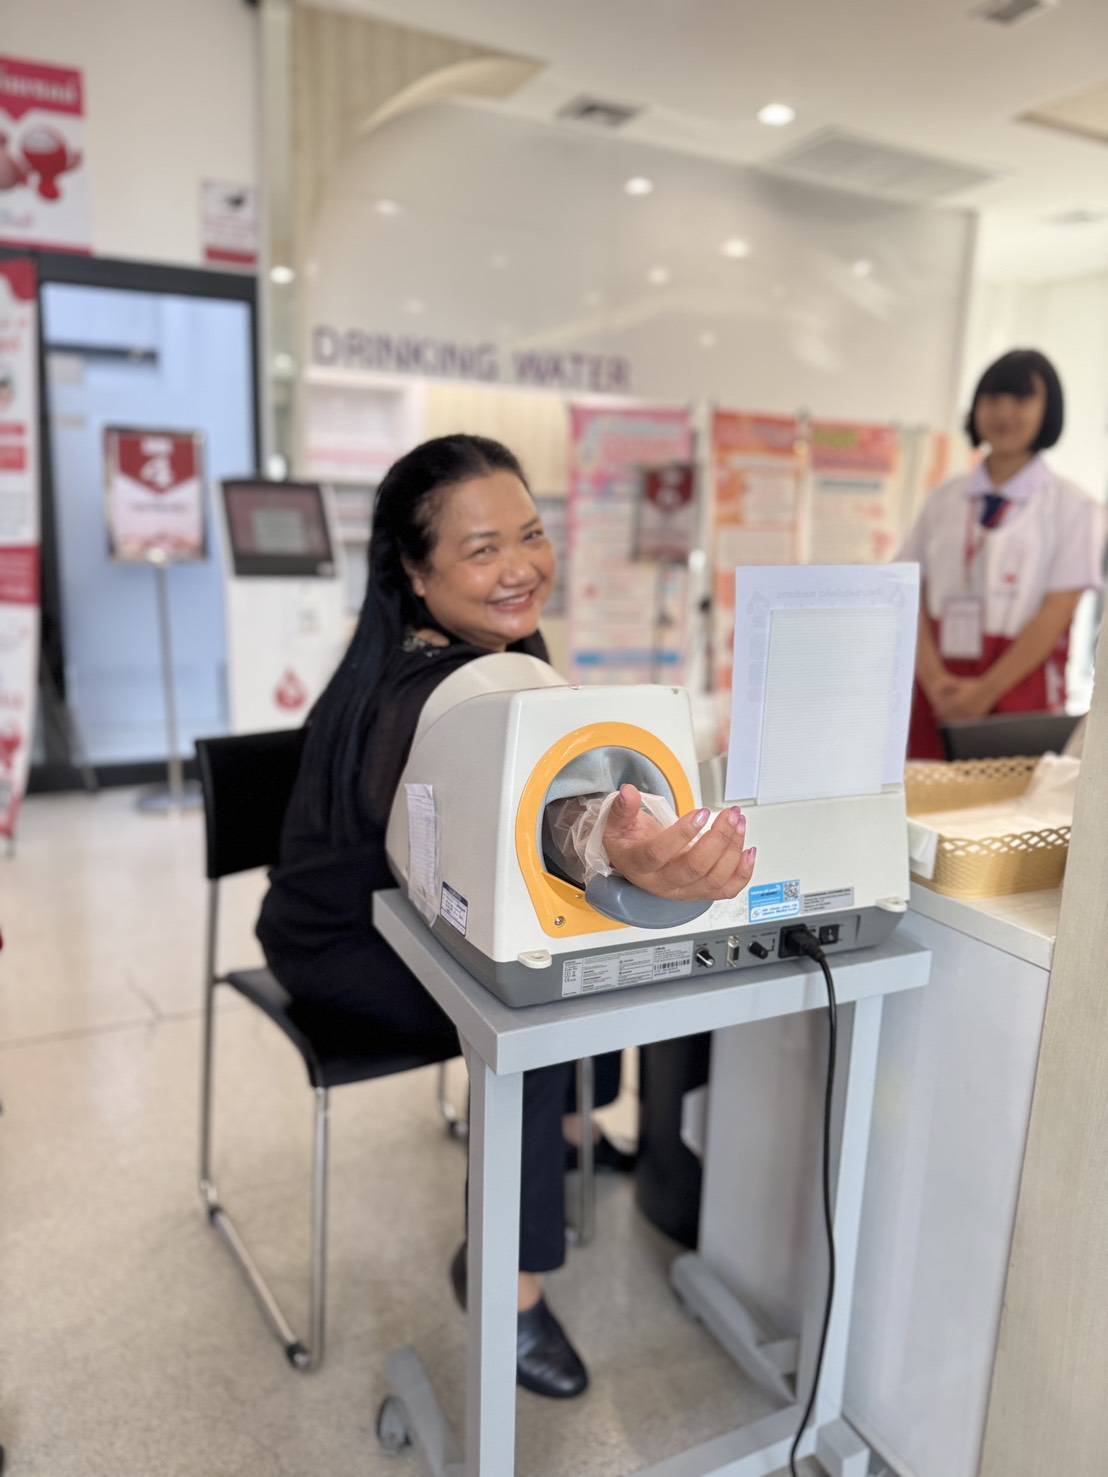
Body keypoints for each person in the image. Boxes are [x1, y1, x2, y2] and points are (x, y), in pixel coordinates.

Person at [256, 435, 756, 1399]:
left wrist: (611, 836)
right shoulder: (434, 686)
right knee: (530, 998)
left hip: (402, 908)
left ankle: (561, 1134)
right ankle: (506, 1283)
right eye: (482, 550)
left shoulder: (496, 653)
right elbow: (541, 822)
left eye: (530, 535)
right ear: (415, 570)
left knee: (569, 938)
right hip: (340, 941)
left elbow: (543, 804)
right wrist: (607, 841)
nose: (521, 567)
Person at [901, 348, 1106, 760]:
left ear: (1048, 410)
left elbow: (1057, 612)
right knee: (925, 791)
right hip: (936, 689)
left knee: (1009, 797)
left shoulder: (1075, 507)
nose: (1004, 412)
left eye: (1021, 398)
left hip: (1020, 690)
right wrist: (935, 679)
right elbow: (909, 591)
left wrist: (985, 691)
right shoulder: (944, 499)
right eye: (993, 398)